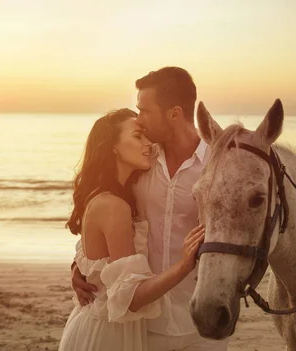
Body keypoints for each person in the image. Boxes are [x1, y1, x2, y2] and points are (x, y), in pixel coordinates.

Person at [71, 67, 229, 350]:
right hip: (145, 323)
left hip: (200, 322)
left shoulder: (219, 167)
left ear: (174, 114)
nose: (139, 120)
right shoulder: (141, 161)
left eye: (144, 110)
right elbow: (102, 212)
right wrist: (83, 267)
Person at [59, 108, 206, 351]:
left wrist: (78, 267)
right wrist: (185, 264)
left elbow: (96, 255)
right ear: (113, 146)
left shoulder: (121, 195)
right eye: (138, 136)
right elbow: (131, 298)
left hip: (112, 328)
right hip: (107, 335)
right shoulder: (114, 205)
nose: (149, 144)